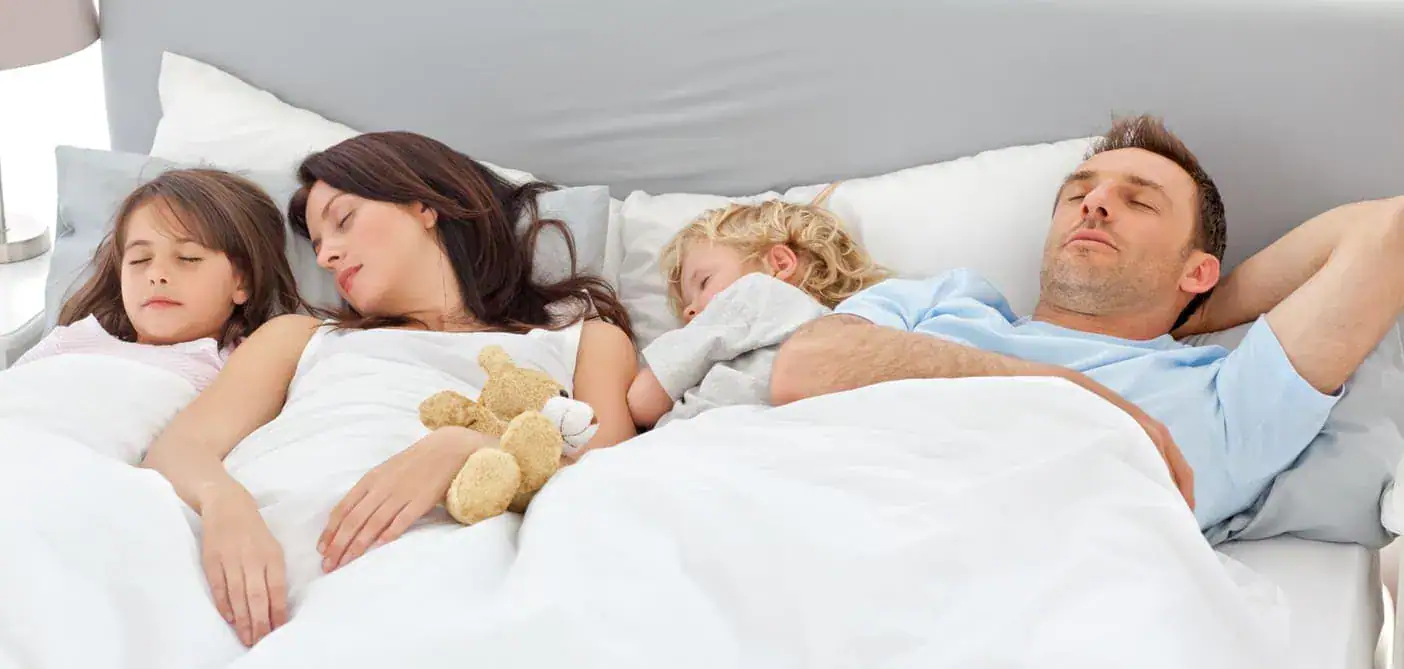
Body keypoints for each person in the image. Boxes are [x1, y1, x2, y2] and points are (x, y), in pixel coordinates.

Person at [770, 114, 1404, 531]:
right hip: (794, 509)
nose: (1095, 203)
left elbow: (1389, 231)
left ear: (1197, 271)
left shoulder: (1223, 398)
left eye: (1139, 201)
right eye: (1078, 193)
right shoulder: (946, 299)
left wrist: (1205, 312)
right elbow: (802, 368)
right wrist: (1066, 390)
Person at [139, 132, 638, 647]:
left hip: (439, 569)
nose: (326, 257)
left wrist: (468, 448)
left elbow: (606, 475)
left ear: (424, 206)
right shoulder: (300, 336)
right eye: (317, 245)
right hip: (247, 572)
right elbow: (178, 449)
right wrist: (224, 504)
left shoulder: (581, 341)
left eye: (343, 220)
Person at [14, 168, 302, 389]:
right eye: (140, 260)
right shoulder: (69, 342)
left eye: (188, 258)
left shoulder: (243, 366)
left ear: (242, 282)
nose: (156, 275)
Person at [627, 192, 887, 428]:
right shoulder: (848, 330)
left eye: (704, 282)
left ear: (780, 264)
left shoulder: (752, 294)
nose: (689, 313)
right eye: (687, 305)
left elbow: (642, 403)